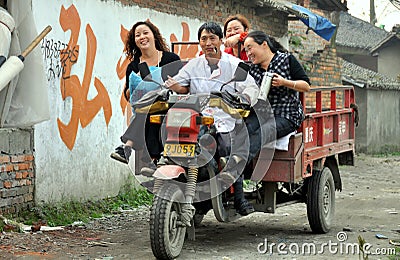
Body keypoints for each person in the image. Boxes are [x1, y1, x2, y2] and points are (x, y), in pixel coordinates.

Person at [164, 22, 258, 215]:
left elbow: (251, 87)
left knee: (231, 152)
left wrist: (244, 98)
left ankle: (239, 197)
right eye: (204, 39)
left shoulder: (234, 65)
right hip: (199, 119)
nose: (208, 43)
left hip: (227, 119)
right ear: (200, 43)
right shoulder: (194, 65)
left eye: (212, 38)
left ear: (221, 41)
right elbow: (181, 84)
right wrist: (172, 86)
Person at [110, 20, 181, 166]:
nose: (142, 37)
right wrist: (136, 83)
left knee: (150, 110)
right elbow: (129, 97)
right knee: (147, 110)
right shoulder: (134, 65)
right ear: (134, 41)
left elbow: (185, 85)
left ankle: (127, 147)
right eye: (137, 35)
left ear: (154, 35)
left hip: (172, 107)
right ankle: (153, 159)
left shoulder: (171, 59)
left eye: (145, 33)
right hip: (146, 108)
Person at [243, 31, 310, 153]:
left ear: (264, 44)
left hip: (286, 114)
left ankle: (237, 162)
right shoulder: (252, 69)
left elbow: (306, 86)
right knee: (243, 129)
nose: (248, 54)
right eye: (246, 51)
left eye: (250, 48)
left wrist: (285, 82)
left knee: (265, 131)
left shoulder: (286, 59)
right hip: (262, 113)